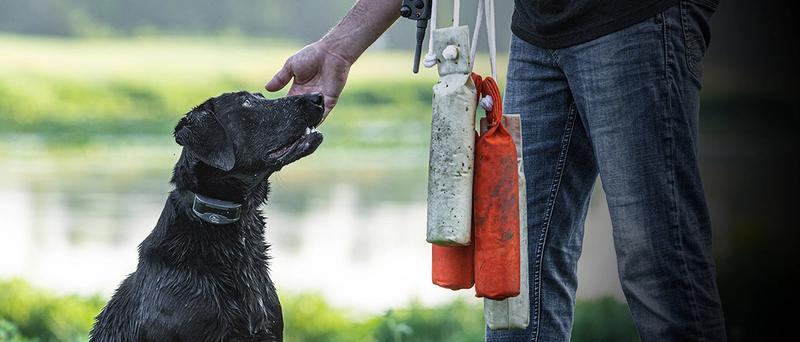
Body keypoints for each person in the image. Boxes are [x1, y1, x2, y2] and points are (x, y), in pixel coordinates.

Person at [266, 0, 726, 340]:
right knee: (511, 272)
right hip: (538, 30)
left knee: (657, 262)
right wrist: (338, 50)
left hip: (636, 19)